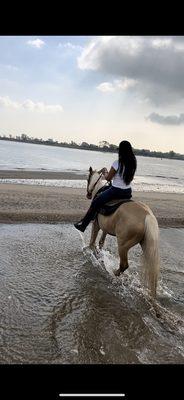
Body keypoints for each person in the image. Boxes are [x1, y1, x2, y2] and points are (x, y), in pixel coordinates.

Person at [74, 140, 137, 232]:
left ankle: (83, 225)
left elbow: (108, 178)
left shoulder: (117, 163)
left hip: (116, 191)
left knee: (95, 202)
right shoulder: (133, 163)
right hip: (127, 192)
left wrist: (105, 172)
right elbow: (130, 179)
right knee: (105, 190)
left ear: (121, 151)